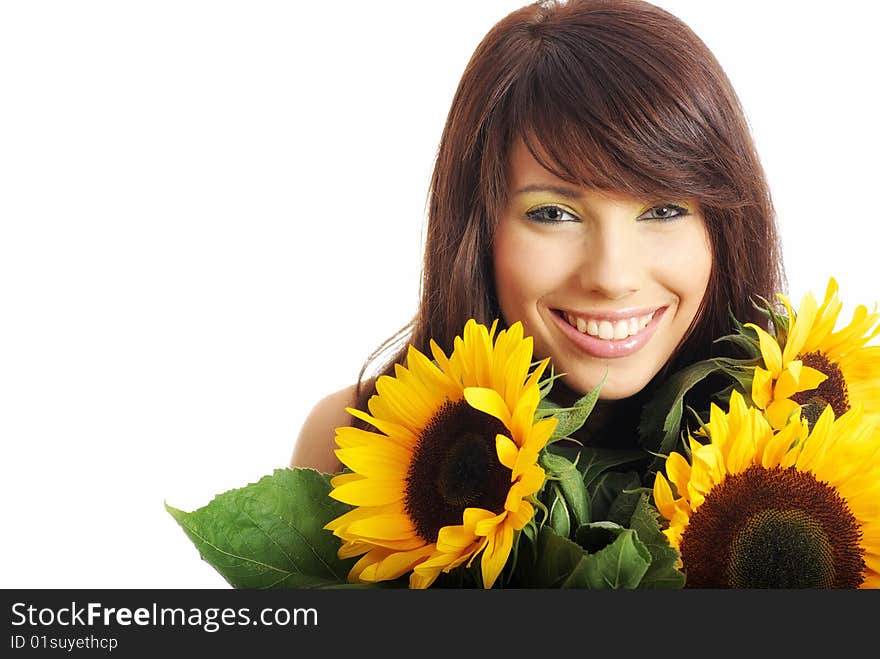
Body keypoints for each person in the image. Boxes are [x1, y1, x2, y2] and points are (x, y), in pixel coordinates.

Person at [290, 0, 785, 475]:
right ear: (478, 227)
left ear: (725, 227)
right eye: (554, 213)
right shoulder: (352, 442)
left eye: (663, 209)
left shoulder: (813, 446)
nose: (611, 277)